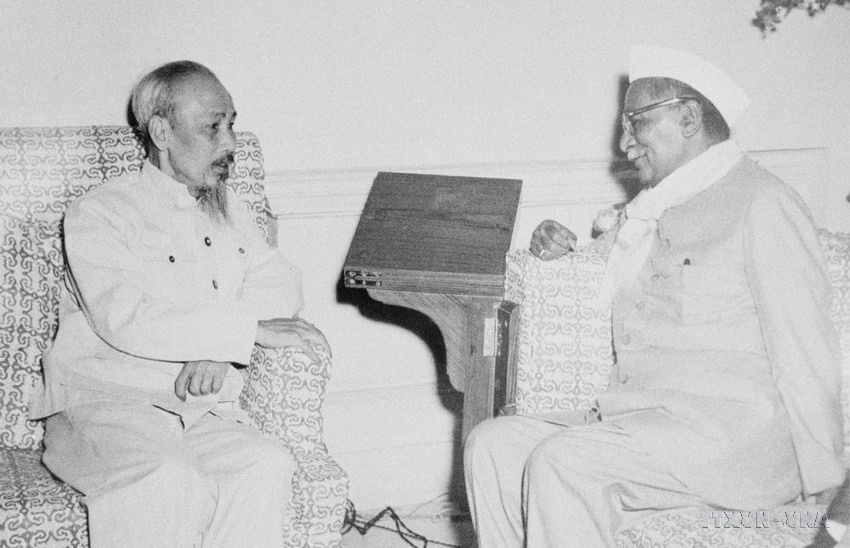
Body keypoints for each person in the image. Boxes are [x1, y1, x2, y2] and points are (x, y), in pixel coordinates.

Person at [464, 45, 846, 546]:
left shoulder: (764, 202)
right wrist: (554, 246)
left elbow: (807, 351)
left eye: (636, 123)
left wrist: (827, 484)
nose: (624, 143)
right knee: (492, 444)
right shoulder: (653, 208)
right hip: (645, 425)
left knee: (566, 463)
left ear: (688, 117)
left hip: (732, 442)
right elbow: (618, 263)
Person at [29, 60, 329, 547]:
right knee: (167, 479)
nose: (229, 143)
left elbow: (280, 280)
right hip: (105, 408)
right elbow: (125, 318)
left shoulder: (228, 205)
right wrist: (242, 331)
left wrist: (217, 348)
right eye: (213, 127)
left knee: (265, 462)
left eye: (231, 124)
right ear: (162, 131)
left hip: (195, 411)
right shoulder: (100, 211)